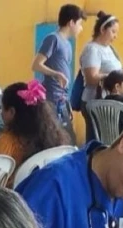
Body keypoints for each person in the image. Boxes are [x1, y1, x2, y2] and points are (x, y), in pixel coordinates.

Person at [0, 80, 70, 182]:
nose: (1, 114)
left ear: (12, 112)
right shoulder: (54, 137)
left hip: (15, 196)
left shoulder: (7, 142)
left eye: (2, 109)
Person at [78, 11, 123, 141]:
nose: (115, 36)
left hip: (109, 100)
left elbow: (114, 70)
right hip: (95, 100)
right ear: (102, 29)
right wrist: (114, 76)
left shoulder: (108, 48)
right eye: (113, 31)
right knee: (96, 139)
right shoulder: (93, 49)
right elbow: (91, 78)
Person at [31, 4, 84, 139]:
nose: (80, 28)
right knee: (56, 137)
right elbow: (36, 65)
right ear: (71, 23)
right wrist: (56, 74)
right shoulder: (53, 39)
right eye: (79, 24)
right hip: (51, 96)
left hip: (62, 98)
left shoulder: (67, 43)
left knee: (66, 136)